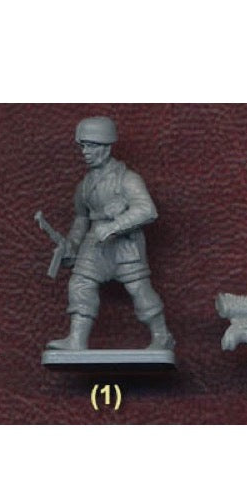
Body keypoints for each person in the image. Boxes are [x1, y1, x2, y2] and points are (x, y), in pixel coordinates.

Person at [46, 117, 174, 352]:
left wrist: (114, 226)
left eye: (90, 146)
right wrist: (72, 245)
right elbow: (81, 219)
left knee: (139, 289)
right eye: (83, 146)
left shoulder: (127, 179)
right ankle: (76, 340)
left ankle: (161, 336)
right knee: (80, 284)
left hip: (125, 243)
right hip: (95, 244)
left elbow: (147, 210)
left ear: (106, 147)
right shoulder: (84, 185)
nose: (85, 152)